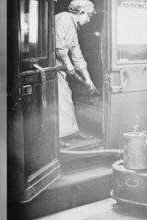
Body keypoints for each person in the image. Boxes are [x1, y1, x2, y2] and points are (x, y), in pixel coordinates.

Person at [55, 0, 96, 140]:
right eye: (89, 15)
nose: (89, 19)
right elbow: (59, 46)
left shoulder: (73, 25)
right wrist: (68, 64)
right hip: (54, 65)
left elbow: (77, 53)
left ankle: (69, 133)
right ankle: (62, 137)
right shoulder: (64, 18)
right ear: (81, 12)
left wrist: (88, 79)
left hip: (60, 65)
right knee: (63, 98)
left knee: (66, 96)